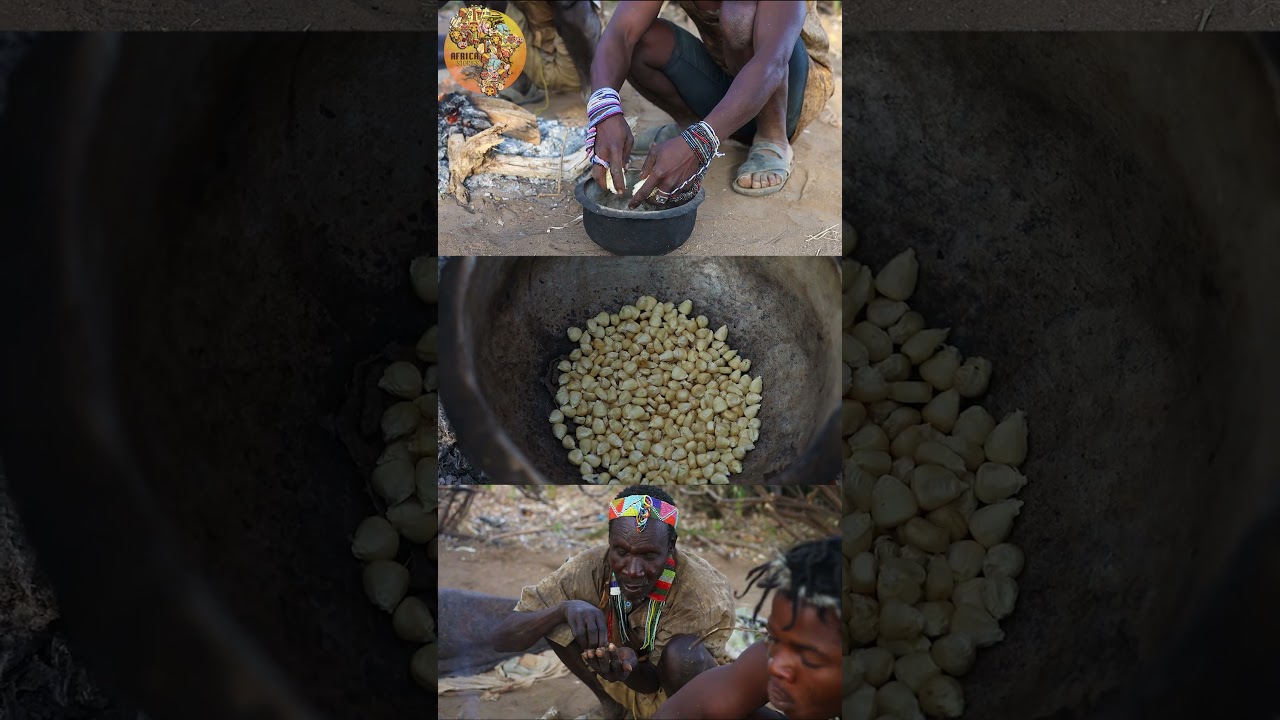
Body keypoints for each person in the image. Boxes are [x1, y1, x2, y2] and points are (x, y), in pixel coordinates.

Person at [492, 486, 736, 720]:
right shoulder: (590, 566)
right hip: (624, 682)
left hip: (681, 695)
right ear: (610, 542)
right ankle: (612, 706)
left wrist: (627, 670)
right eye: (621, 552)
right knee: (556, 617)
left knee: (684, 654)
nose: (632, 570)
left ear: (670, 547)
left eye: (648, 556)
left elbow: (655, 681)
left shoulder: (701, 593)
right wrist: (563, 610)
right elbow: (503, 638)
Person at [585, 0, 835, 207]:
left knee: (740, 13)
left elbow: (773, 63)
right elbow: (621, 33)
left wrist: (701, 142)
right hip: (727, 79)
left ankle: (772, 138)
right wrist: (604, 109)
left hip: (790, 90)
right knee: (639, 40)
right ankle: (692, 125)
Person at [651, 536, 843, 720]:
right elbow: (687, 707)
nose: (775, 666)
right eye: (774, 638)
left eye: (808, 657)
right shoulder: (773, 657)